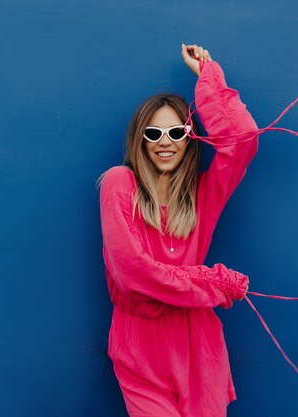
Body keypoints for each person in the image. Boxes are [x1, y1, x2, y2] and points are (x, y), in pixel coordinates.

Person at [96, 43, 257, 417]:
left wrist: (209, 78)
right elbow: (131, 272)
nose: (165, 142)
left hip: (199, 346)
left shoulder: (203, 193)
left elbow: (243, 140)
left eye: (176, 132)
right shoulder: (119, 184)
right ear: (140, 140)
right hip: (141, 346)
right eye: (153, 134)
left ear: (190, 138)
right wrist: (211, 283)